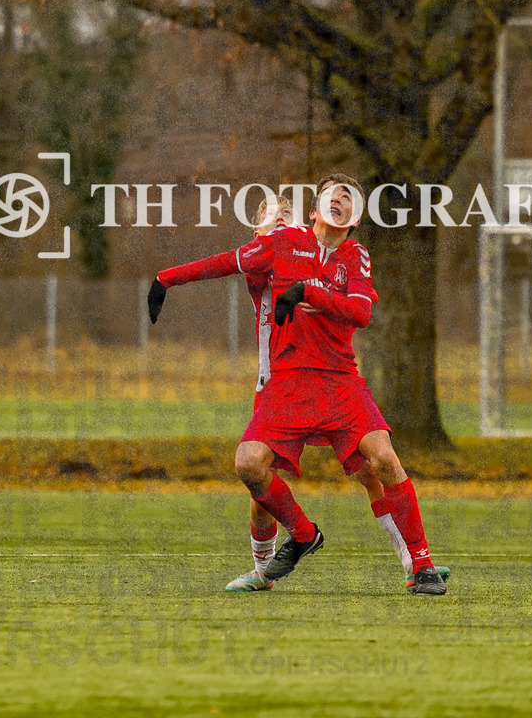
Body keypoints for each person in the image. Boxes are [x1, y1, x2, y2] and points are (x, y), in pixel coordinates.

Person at [150, 176, 448, 595]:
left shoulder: (355, 255)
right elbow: (223, 262)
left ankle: (419, 564)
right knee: (252, 470)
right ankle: (283, 552)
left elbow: (361, 311)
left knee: (379, 463)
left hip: (339, 382)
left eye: (348, 198)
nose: (338, 201)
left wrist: (310, 291)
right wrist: (165, 279)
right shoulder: (276, 248)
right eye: (330, 196)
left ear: (357, 216)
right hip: (282, 382)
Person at [221, 194, 388, 592]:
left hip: (329, 383)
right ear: (258, 230)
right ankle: (264, 572)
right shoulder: (263, 261)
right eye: (274, 218)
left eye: (289, 217)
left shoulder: (312, 256)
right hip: (277, 387)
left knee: (372, 467)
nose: (284, 223)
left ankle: (414, 562)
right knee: (258, 478)